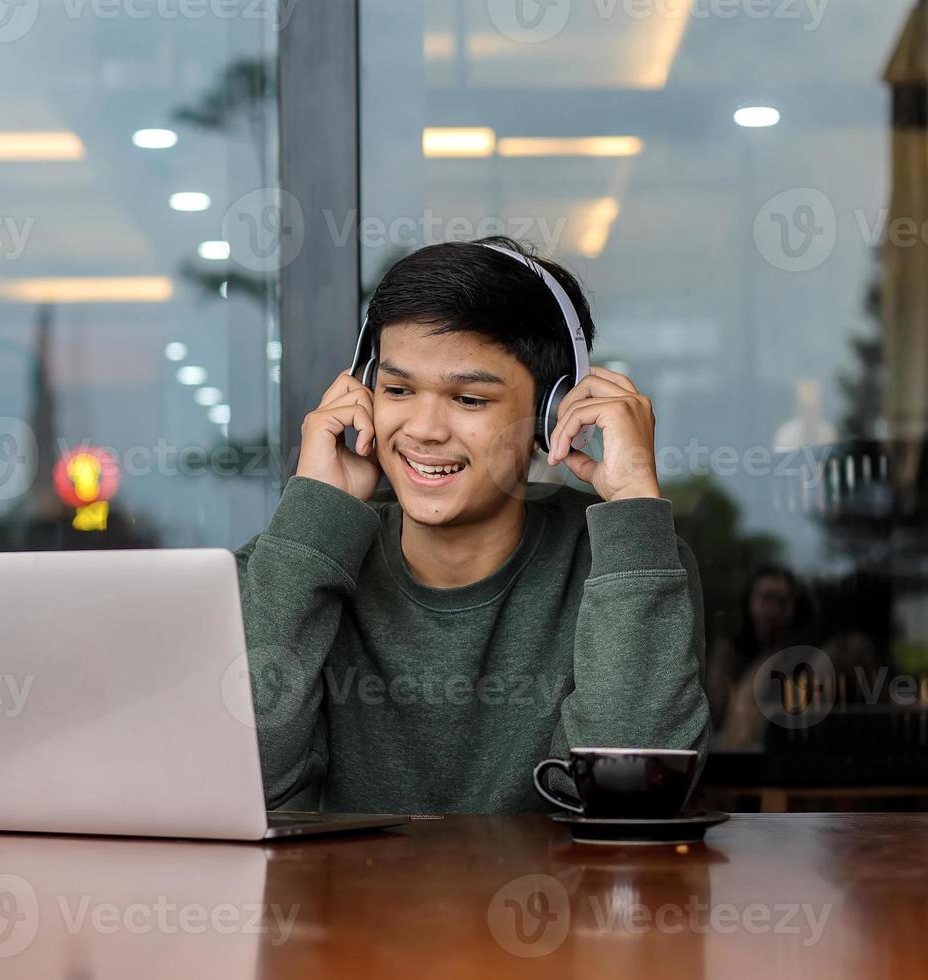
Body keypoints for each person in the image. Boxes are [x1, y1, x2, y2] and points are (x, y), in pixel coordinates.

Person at [234, 237, 709, 813]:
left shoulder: (627, 564)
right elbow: (242, 789)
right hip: (342, 902)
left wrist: (634, 502)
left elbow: (629, 801)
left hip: (558, 903)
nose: (425, 429)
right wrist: (312, 520)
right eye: (399, 390)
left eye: (469, 399)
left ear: (551, 414)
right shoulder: (290, 563)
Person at [707, 563, 816, 751]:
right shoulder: (730, 652)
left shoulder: (806, 654)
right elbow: (715, 715)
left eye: (782, 601)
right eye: (767, 598)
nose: (773, 610)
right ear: (750, 601)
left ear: (793, 608)